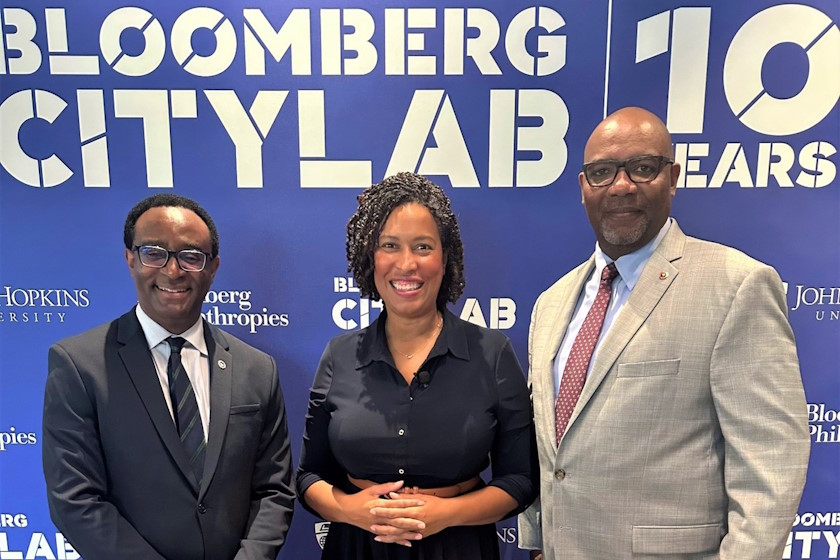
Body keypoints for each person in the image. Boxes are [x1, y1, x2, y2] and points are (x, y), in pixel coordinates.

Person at [518, 107, 810, 560]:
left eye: (642, 167)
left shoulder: (736, 285)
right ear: (583, 188)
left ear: (671, 177)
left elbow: (772, 464)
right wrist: (539, 541)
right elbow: (555, 451)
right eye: (602, 172)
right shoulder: (551, 303)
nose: (621, 186)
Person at [296, 171, 537, 559]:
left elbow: (521, 481)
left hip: (459, 546)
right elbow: (309, 477)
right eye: (389, 245)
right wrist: (350, 509)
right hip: (358, 547)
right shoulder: (339, 355)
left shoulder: (492, 353)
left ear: (446, 259)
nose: (406, 264)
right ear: (369, 259)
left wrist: (446, 513)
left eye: (423, 247)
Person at [42, 193, 295, 560]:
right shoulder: (79, 365)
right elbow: (75, 500)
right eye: (154, 253)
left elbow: (274, 490)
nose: (173, 271)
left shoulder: (257, 368)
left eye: (191, 256)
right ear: (131, 258)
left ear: (213, 267)